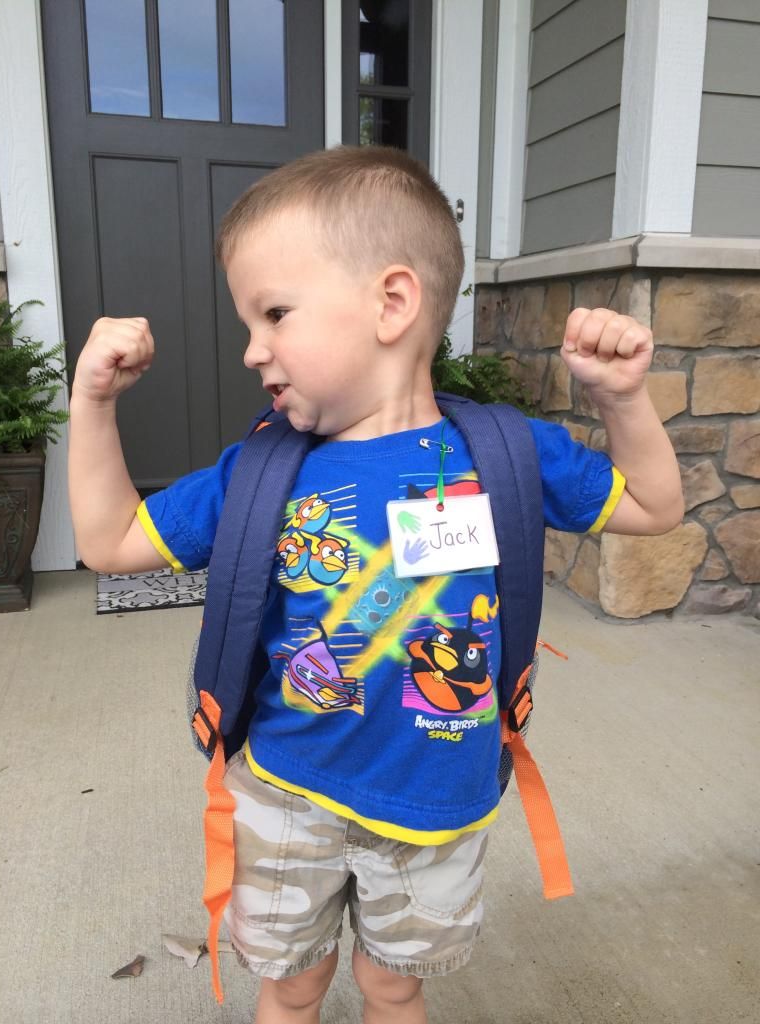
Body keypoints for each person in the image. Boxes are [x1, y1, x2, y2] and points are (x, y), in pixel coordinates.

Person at [68, 145, 684, 1024]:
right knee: (291, 988)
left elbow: (656, 507)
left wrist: (621, 401)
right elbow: (109, 541)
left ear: (393, 303)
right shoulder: (261, 472)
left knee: (395, 990)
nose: (252, 350)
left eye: (274, 314)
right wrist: (92, 405)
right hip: (288, 794)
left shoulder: (506, 453)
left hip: (438, 806)